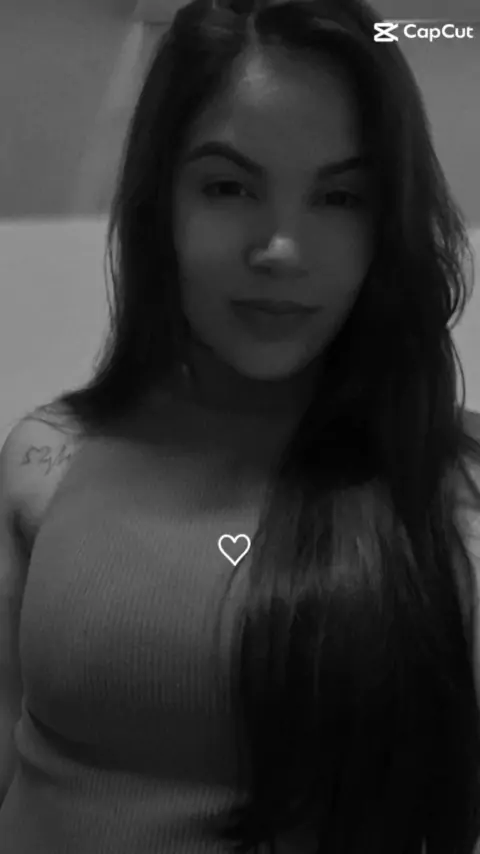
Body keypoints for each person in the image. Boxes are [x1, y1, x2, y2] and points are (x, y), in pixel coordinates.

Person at [0, 0, 480, 851]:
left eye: (341, 196)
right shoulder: (45, 459)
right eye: (228, 186)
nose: (281, 249)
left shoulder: (453, 491)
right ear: (160, 203)